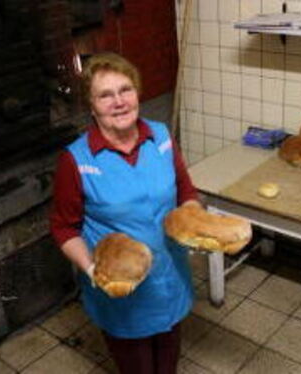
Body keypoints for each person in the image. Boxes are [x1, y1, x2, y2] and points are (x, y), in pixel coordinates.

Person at [49, 52, 199, 374]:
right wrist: (92, 271)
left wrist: (196, 223)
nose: (118, 102)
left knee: (168, 359)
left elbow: (186, 193)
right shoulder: (76, 160)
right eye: (105, 95)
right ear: (91, 106)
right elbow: (64, 228)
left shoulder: (161, 137)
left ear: (137, 93)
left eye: (125, 90)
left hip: (169, 274)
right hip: (121, 290)